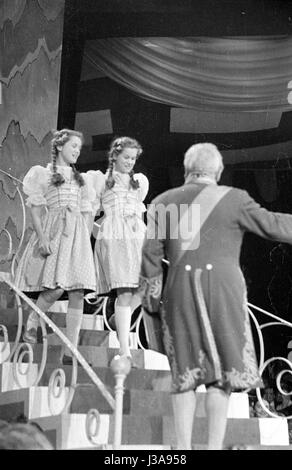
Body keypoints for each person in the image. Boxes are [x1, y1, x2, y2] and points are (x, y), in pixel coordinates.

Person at [139, 142, 292, 450]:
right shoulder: (234, 198)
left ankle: (182, 449)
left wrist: (150, 301)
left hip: (180, 292)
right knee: (219, 376)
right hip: (225, 292)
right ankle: (212, 448)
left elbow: (151, 257)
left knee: (184, 375)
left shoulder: (162, 202)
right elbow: (274, 225)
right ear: (218, 171)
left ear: (186, 171)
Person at [14, 129, 96, 364]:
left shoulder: (82, 179)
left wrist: (84, 239)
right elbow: (37, 211)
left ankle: (71, 352)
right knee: (57, 287)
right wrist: (42, 238)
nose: (77, 152)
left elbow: (87, 209)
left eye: (79, 148)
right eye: (73, 147)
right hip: (56, 230)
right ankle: (31, 324)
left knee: (78, 291)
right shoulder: (45, 174)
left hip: (77, 236)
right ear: (60, 147)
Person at [85, 137, 149, 364]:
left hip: (136, 237)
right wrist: (97, 233)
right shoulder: (101, 181)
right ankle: (125, 351)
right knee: (124, 292)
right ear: (115, 156)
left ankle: (117, 319)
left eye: (133, 158)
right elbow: (90, 213)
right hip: (114, 237)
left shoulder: (139, 182)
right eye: (126, 157)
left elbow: (140, 215)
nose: (131, 162)